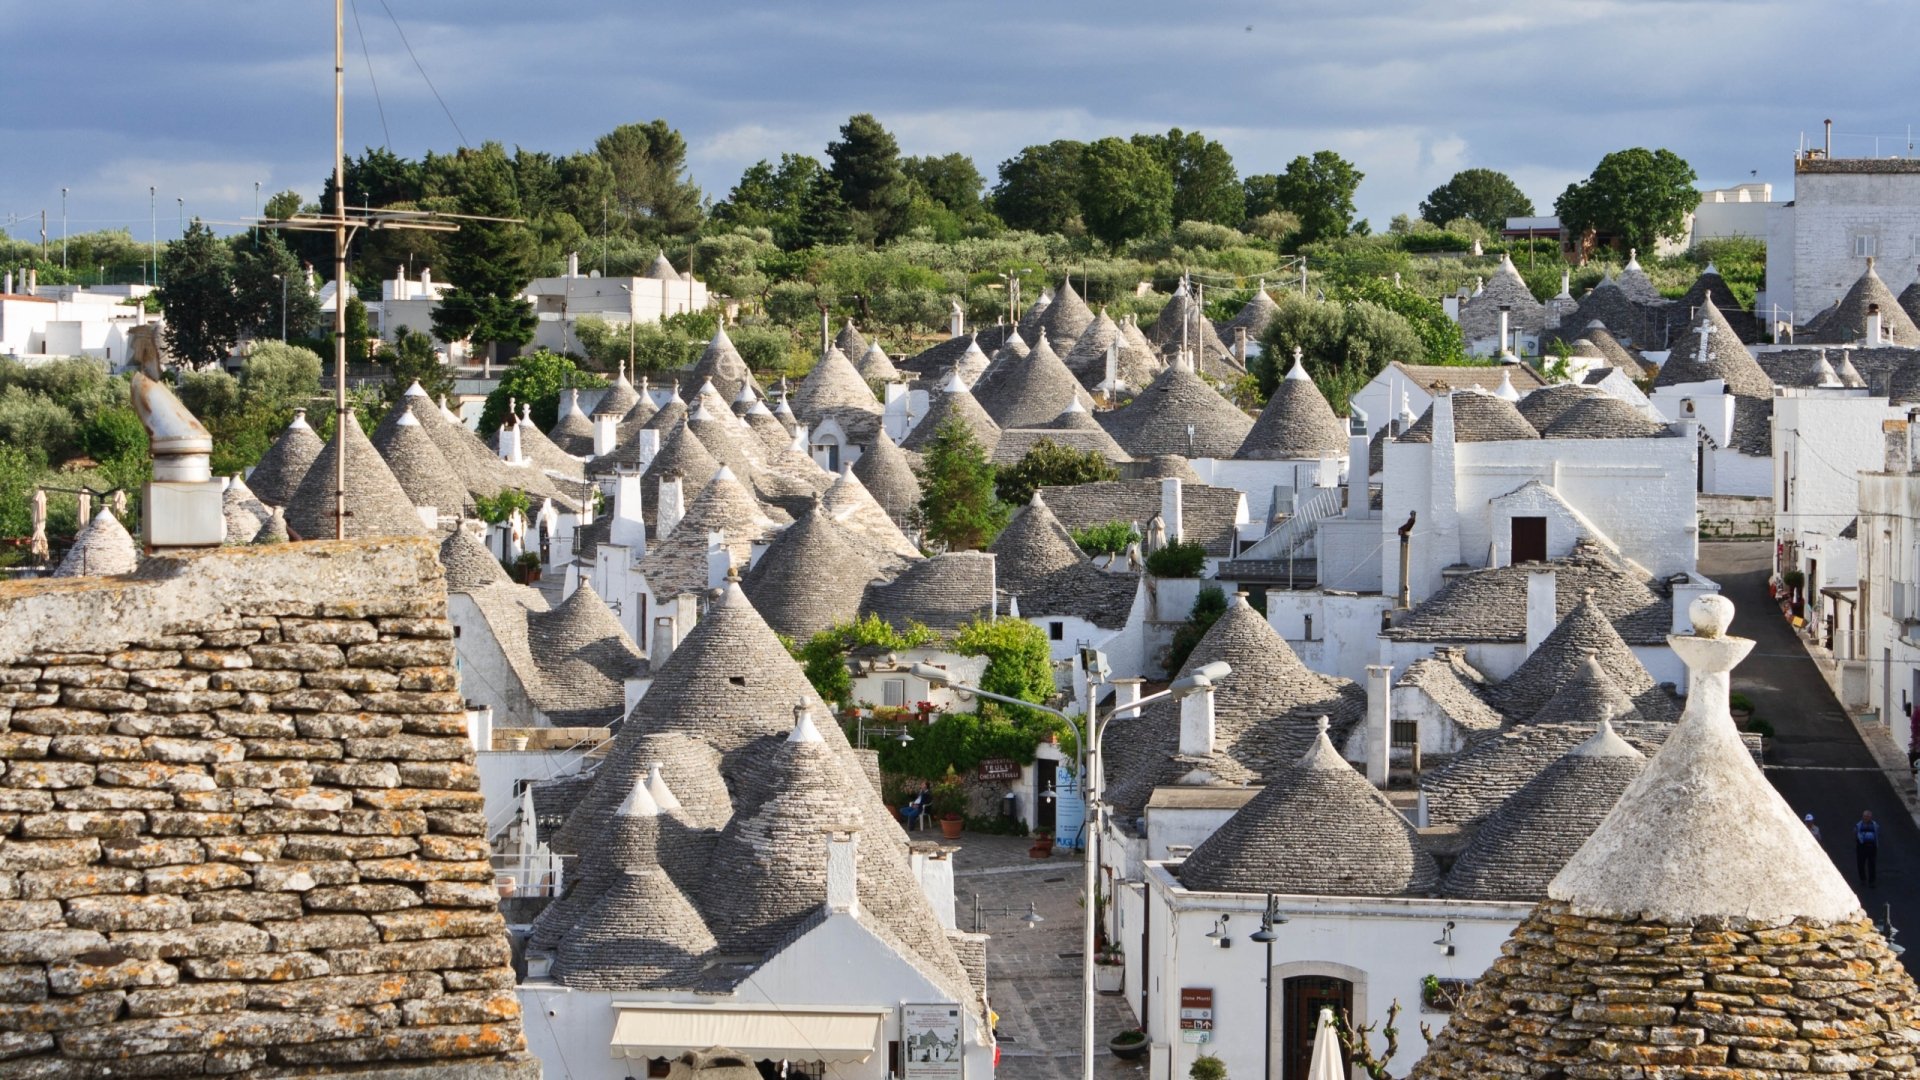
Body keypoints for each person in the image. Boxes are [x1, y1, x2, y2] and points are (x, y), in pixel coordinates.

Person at [1856, 810, 1880, 887]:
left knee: (1872, 864)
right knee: (1860, 864)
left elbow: (1877, 833)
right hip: (1861, 847)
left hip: (1871, 847)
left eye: (1867, 817)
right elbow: (1855, 833)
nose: (1866, 818)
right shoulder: (1859, 825)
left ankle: (1872, 881)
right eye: (1865, 816)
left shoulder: (1874, 825)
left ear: (1870, 817)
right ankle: (1863, 879)